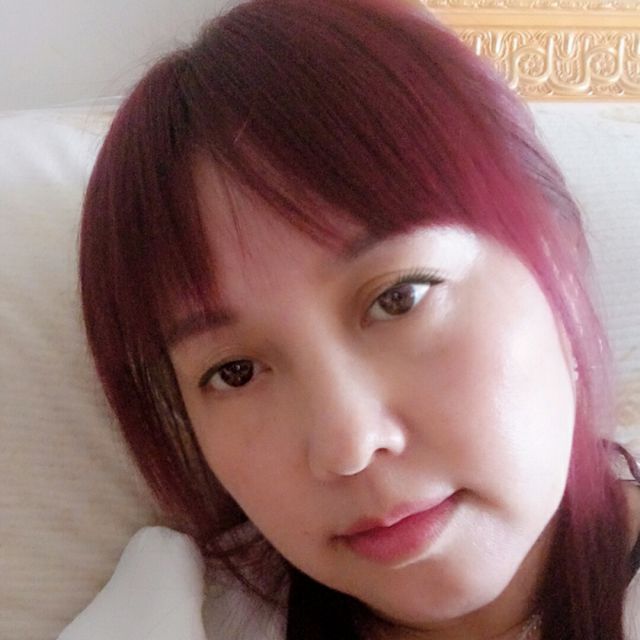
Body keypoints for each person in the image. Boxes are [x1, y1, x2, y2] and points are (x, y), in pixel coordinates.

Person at [78, 0, 640, 638]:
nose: (348, 446)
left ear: (556, 264)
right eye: (234, 372)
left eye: (399, 298)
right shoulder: (176, 614)